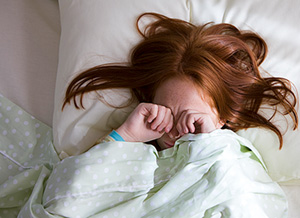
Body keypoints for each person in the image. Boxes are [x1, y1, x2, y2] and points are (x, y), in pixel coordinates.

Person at [63, 13, 298, 150]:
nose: (176, 131)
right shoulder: (133, 153)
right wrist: (126, 136)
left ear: (221, 118)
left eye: (191, 117)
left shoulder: (233, 155)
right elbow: (65, 196)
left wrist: (208, 145)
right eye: (167, 113)